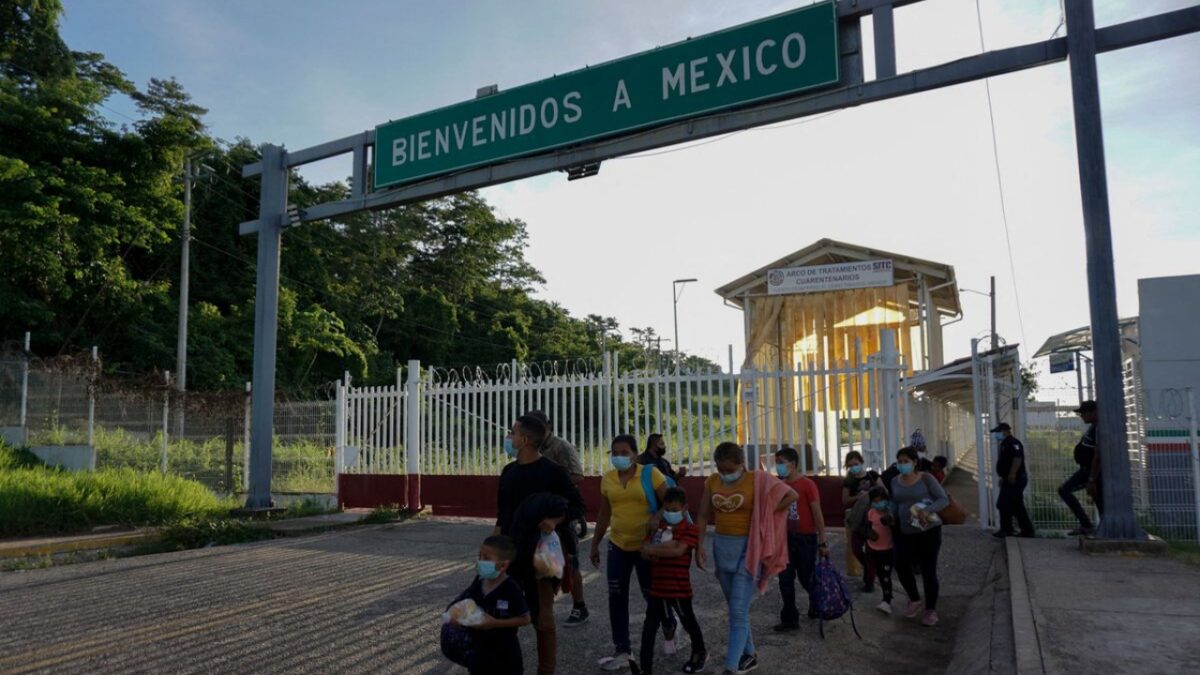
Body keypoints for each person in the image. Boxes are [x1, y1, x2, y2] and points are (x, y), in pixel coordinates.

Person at [696, 442, 797, 675]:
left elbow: (791, 494)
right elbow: (702, 514)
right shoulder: (711, 482)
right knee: (735, 607)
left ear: (741, 464)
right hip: (722, 550)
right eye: (721, 470)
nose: (725, 475)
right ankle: (750, 655)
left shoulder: (758, 479)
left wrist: (767, 513)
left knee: (738, 611)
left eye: (729, 470)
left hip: (749, 550)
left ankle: (730, 668)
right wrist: (698, 545)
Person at [495, 414, 585, 675]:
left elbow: (578, 506)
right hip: (511, 552)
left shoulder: (553, 472)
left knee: (543, 619)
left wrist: (555, 520)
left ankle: (546, 670)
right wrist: (491, 549)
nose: (508, 438)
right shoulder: (509, 473)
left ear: (524, 440)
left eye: (512, 433)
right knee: (504, 613)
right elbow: (503, 515)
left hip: (541, 556)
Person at [590, 434, 672, 672]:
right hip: (618, 545)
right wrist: (595, 544)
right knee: (616, 597)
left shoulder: (650, 474)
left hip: (646, 547)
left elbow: (671, 502)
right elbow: (604, 514)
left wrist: (657, 517)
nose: (619, 457)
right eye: (615, 452)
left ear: (636, 454)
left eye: (625, 452)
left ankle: (669, 624)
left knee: (652, 595)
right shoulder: (607, 480)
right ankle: (622, 649)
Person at [525, 409, 591, 627]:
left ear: (549, 426)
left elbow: (578, 476)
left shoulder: (560, 447)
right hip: (536, 515)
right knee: (538, 562)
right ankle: (542, 606)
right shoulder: (530, 447)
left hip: (561, 513)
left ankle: (579, 606)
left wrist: (550, 482)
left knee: (570, 560)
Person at [638, 487, 707, 675]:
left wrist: (656, 549)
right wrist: (661, 548)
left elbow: (678, 551)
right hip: (657, 588)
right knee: (649, 627)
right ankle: (646, 666)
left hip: (679, 588)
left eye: (675, 510)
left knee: (688, 622)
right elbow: (644, 550)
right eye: (667, 509)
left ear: (685, 508)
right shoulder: (658, 528)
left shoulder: (691, 529)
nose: (670, 513)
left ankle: (699, 652)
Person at [448, 535, 531, 675]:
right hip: (479, 652)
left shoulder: (511, 588)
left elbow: (525, 619)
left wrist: (495, 623)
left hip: (505, 655)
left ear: (503, 565)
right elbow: (469, 604)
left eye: (486, 558)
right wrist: (458, 618)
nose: (480, 561)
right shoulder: (479, 580)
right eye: (480, 556)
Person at [888, 446, 949, 627]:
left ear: (915, 462)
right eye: (899, 462)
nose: (902, 465)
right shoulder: (894, 481)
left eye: (906, 461)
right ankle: (914, 599)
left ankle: (930, 610)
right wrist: (891, 513)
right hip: (904, 531)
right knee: (900, 564)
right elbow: (894, 501)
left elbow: (942, 499)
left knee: (928, 570)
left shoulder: (926, 479)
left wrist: (927, 510)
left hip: (928, 531)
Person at [771, 446, 829, 632]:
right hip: (785, 538)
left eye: (782, 463)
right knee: (785, 579)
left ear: (793, 464)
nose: (778, 467)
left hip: (806, 538)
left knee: (806, 577)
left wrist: (822, 540)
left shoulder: (807, 485)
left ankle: (817, 603)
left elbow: (817, 512)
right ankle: (790, 618)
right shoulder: (779, 485)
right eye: (777, 463)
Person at [1059, 400, 1102, 536]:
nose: (1081, 416)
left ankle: (1099, 528)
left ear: (1093, 412)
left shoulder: (1099, 428)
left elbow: (1098, 455)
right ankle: (1088, 525)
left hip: (1093, 471)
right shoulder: (1094, 426)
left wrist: (1092, 480)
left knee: (1099, 500)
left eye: (1083, 413)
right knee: (1065, 490)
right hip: (1086, 470)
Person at [840, 451, 878, 591]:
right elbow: (845, 500)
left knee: (870, 549)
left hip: (873, 518)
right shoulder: (849, 481)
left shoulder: (872, 476)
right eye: (850, 466)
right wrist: (859, 497)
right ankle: (870, 570)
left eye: (855, 464)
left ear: (861, 462)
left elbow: (884, 491)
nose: (854, 468)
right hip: (857, 519)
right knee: (856, 548)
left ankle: (870, 580)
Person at [991, 422, 1035, 538]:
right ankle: (1027, 531)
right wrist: (1004, 477)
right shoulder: (1005, 443)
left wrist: (1012, 474)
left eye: (998, 432)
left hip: (1016, 478)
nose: (997, 435)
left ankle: (1007, 530)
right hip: (1010, 478)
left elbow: (1017, 458)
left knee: (1003, 504)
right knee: (1017, 505)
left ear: (1005, 431)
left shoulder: (1013, 443)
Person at [863, 486, 896, 615]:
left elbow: (896, 530)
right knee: (881, 575)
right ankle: (887, 597)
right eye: (875, 501)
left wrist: (891, 522)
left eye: (881, 500)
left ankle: (887, 600)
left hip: (888, 549)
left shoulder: (891, 512)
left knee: (886, 575)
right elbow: (869, 528)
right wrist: (869, 536)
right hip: (874, 548)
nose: (878, 503)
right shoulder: (871, 513)